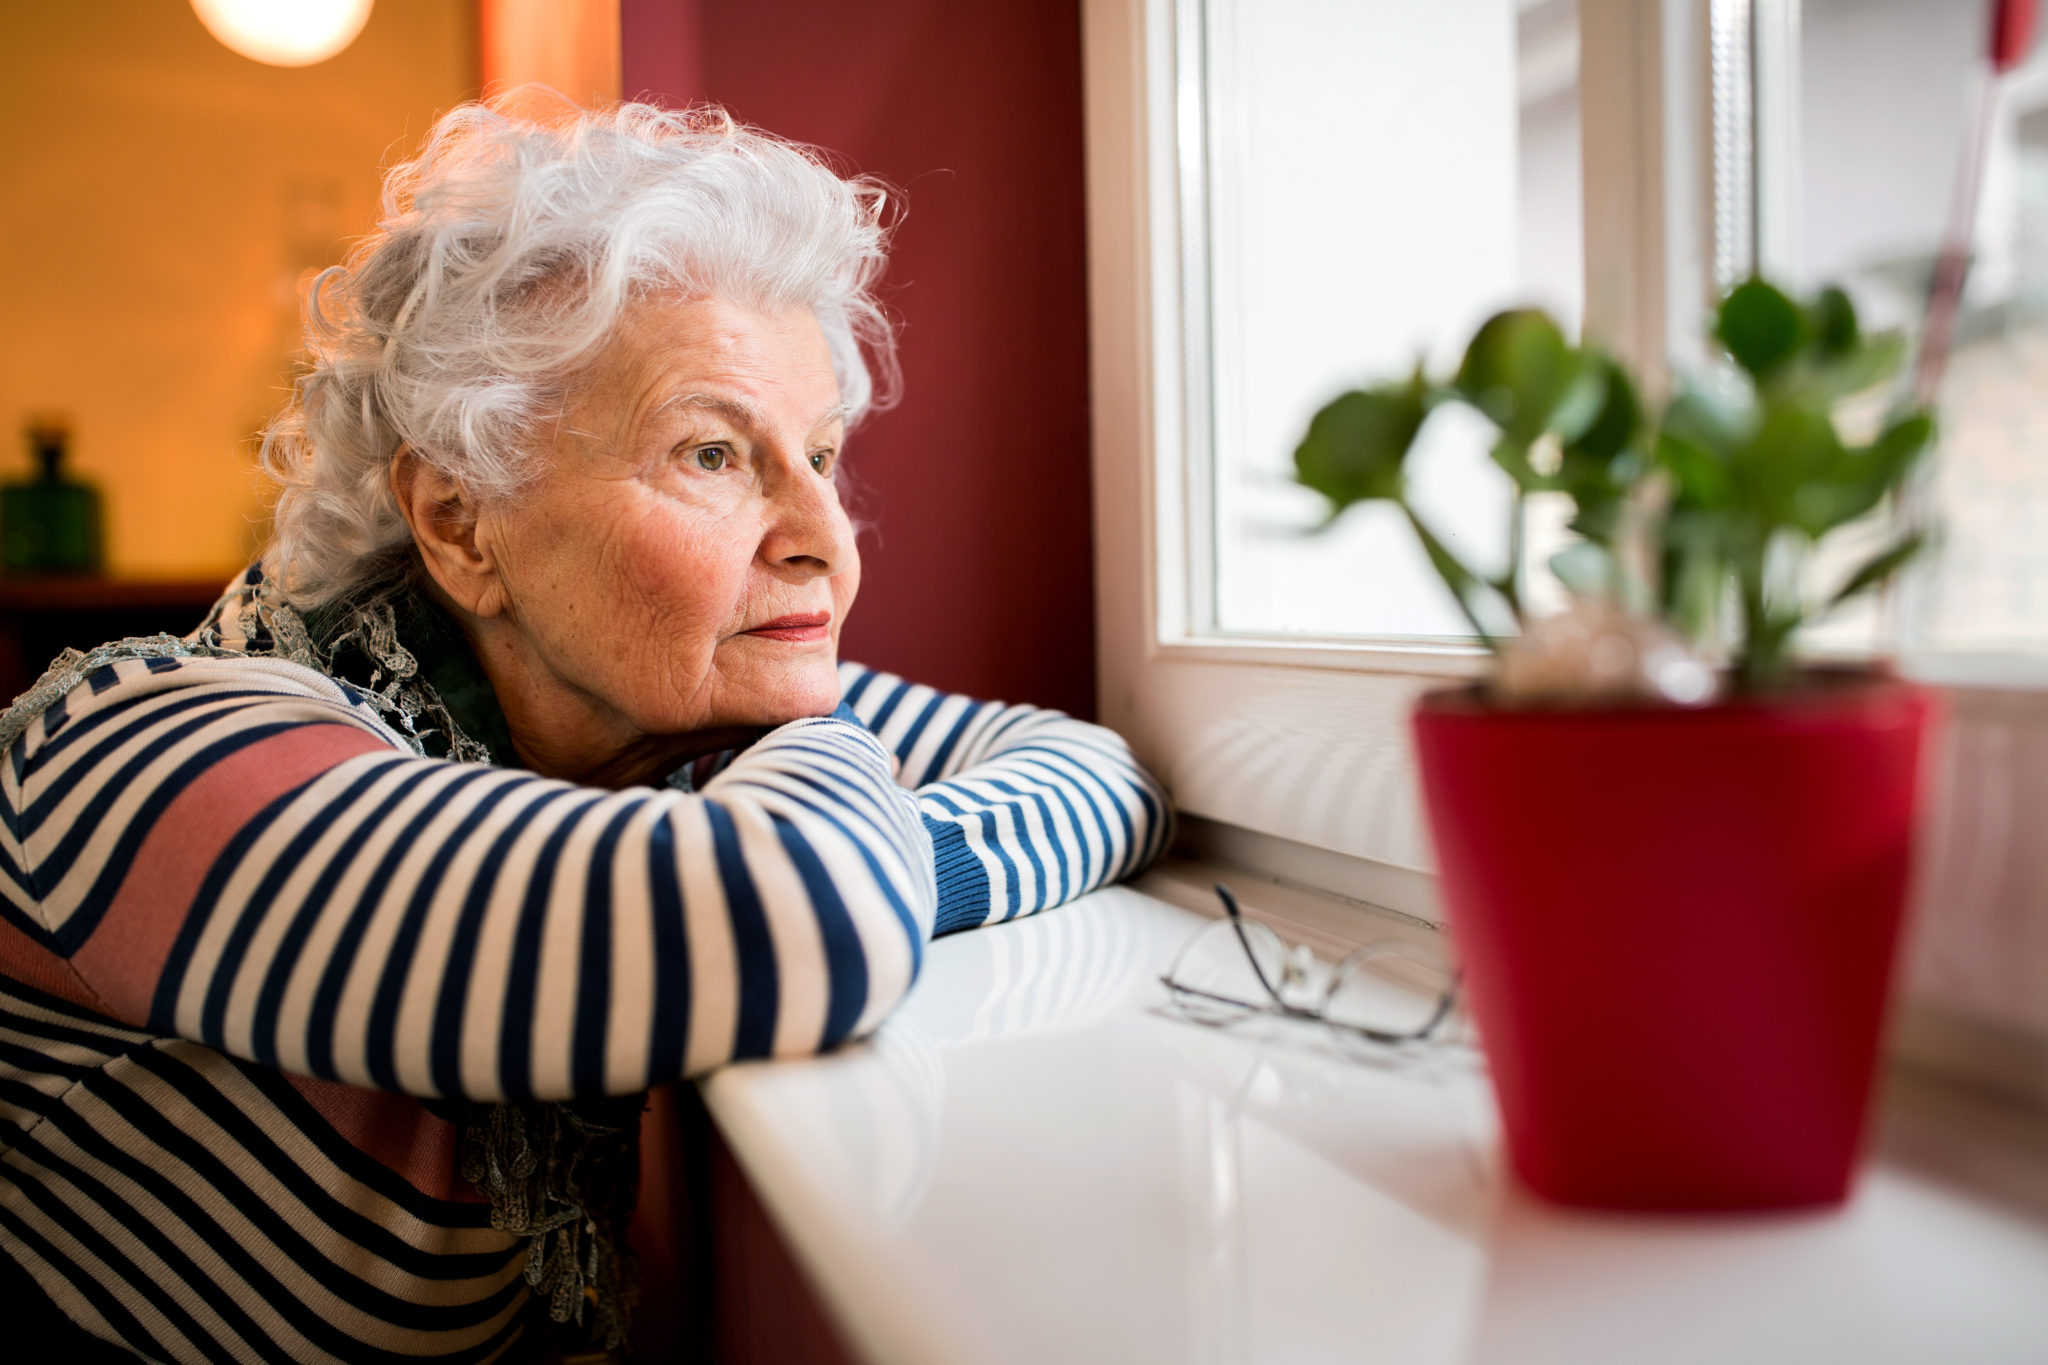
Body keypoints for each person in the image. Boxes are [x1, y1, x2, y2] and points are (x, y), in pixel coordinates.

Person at [0, 98, 1169, 1363]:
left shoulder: (655, 714)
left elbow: (1093, 771)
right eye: (712, 454)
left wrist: (844, 815)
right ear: (458, 521)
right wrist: (828, 784)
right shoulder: (133, 753)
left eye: (822, 454)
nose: (824, 538)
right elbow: (805, 916)